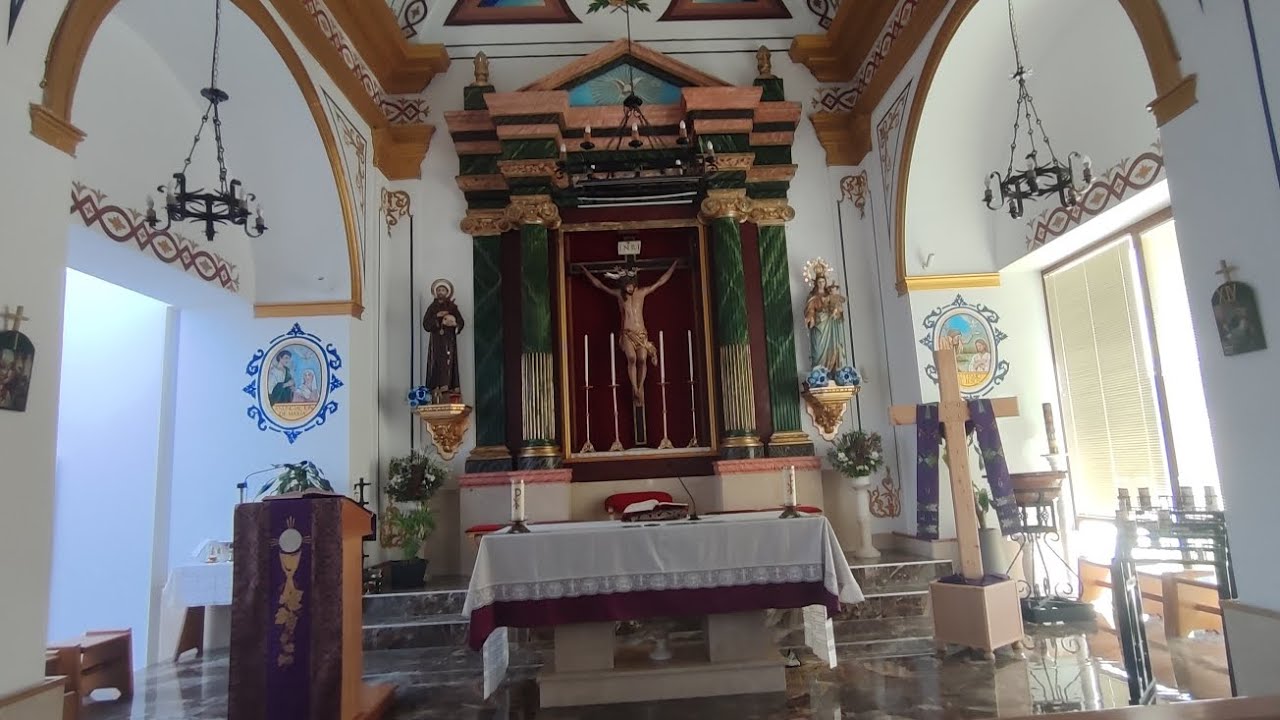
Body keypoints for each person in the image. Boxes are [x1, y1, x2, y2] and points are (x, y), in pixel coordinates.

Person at [583, 260, 679, 407]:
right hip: (628, 333)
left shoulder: (642, 293)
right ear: (623, 285)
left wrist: (673, 266)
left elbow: (660, 282)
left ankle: (640, 387)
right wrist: (586, 271)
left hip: (641, 333)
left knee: (642, 359)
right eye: (627, 286)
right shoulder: (620, 295)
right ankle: (634, 388)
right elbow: (600, 285)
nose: (629, 288)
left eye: (631, 285)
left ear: (634, 284)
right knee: (632, 358)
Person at [422, 279, 465, 403]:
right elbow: (426, 324)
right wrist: (437, 317)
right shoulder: (432, 308)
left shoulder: (452, 307)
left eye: (443, 290)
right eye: (439, 290)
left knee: (449, 362)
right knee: (437, 362)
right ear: (436, 292)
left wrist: (454, 323)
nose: (441, 292)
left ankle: (449, 387)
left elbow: (460, 322)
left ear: (447, 292)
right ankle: (436, 388)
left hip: (449, 340)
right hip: (437, 341)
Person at [803, 269, 848, 372]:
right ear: (815, 283)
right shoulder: (812, 297)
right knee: (818, 350)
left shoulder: (831, 295)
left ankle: (832, 370)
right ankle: (819, 372)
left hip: (831, 326)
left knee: (832, 348)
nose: (821, 284)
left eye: (823, 281)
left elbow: (838, 308)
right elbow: (809, 310)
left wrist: (836, 313)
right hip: (819, 326)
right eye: (819, 282)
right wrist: (811, 318)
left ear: (825, 282)